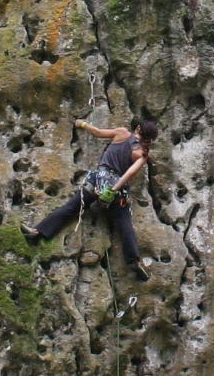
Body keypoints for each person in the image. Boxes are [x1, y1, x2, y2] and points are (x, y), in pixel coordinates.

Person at [22, 118, 159, 281]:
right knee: (124, 224)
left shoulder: (122, 133)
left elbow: (98, 133)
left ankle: (38, 232)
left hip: (98, 182)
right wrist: (113, 190)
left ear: (137, 128)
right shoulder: (142, 155)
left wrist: (82, 124)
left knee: (72, 207)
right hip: (117, 191)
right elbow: (128, 174)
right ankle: (134, 261)